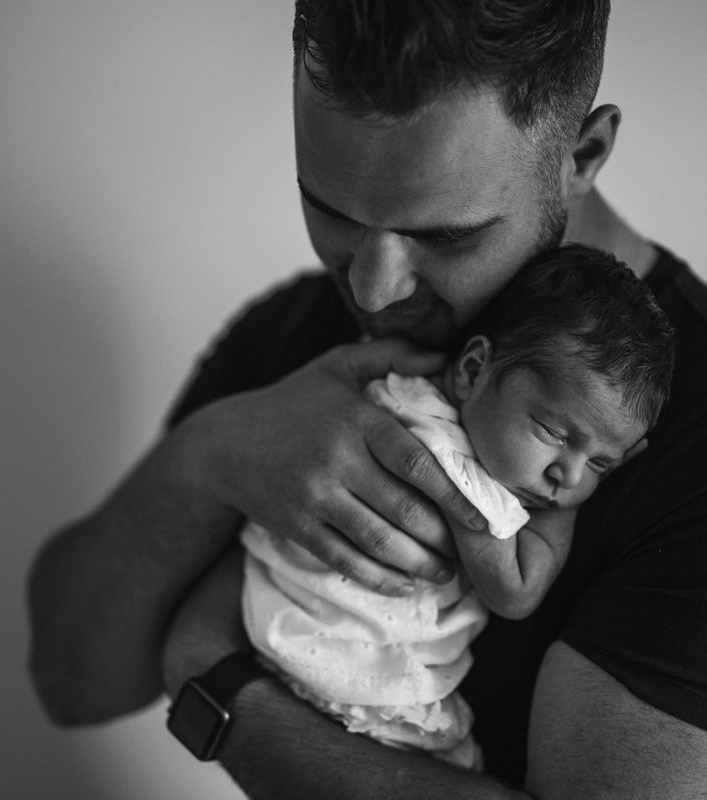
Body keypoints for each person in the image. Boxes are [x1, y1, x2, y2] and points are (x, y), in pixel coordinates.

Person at [27, 2, 707, 798]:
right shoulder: (290, 332)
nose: (373, 287)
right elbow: (70, 679)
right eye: (328, 210)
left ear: (579, 157)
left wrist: (216, 682)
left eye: (444, 236)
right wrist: (212, 456)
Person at [241, 246, 675, 771]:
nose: (570, 476)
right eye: (553, 433)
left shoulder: (401, 394)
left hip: (273, 622)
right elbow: (515, 591)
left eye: (602, 465)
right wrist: (568, 510)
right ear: (472, 370)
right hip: (354, 673)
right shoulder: (458, 471)